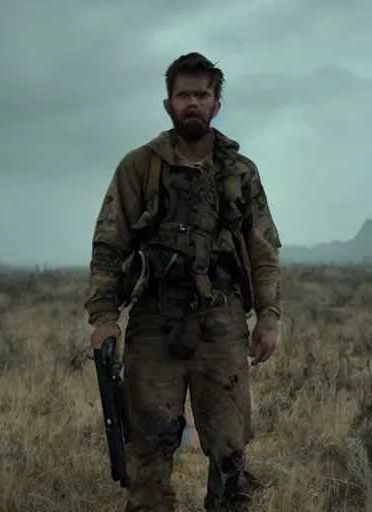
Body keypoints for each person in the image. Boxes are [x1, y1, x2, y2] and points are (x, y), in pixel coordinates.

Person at [83, 52, 282, 512]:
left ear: (217, 104)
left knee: (230, 451)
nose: (193, 102)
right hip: (155, 323)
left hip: (222, 323)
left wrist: (269, 316)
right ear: (168, 103)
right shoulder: (139, 168)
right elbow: (108, 246)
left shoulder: (241, 172)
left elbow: (263, 248)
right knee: (149, 447)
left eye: (203, 95)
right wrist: (105, 318)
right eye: (184, 95)